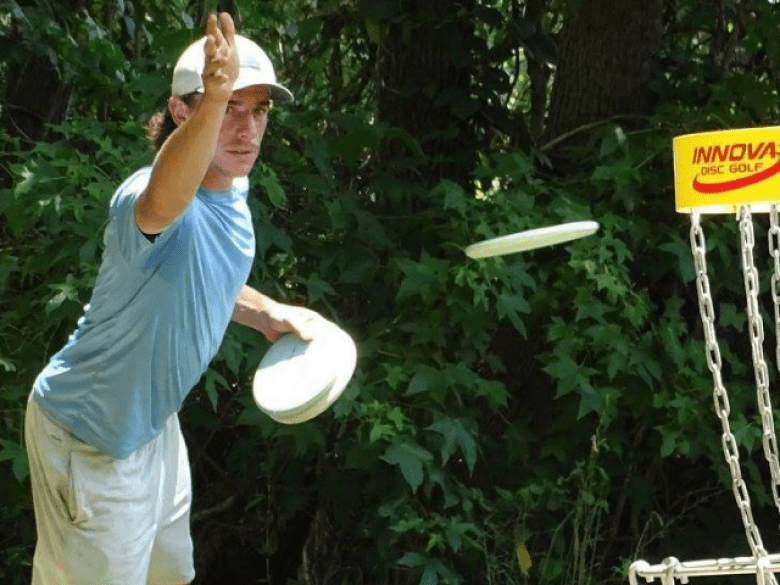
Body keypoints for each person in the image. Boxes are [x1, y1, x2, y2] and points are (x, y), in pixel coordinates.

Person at [24, 13, 317, 585]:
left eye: (259, 110)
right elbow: (162, 204)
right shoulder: (146, 195)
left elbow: (201, 276)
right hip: (89, 438)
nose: (247, 129)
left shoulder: (232, 190)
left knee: (171, 576)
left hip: (154, 429)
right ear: (182, 111)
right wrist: (215, 99)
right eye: (228, 107)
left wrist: (263, 313)